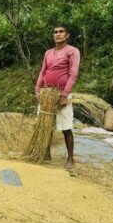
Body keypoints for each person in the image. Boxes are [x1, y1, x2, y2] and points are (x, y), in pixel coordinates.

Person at [35, 24, 80, 171]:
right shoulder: (48, 53)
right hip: (46, 93)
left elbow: (73, 74)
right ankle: (45, 153)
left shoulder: (72, 51)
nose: (58, 34)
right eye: (55, 32)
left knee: (66, 127)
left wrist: (65, 96)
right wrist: (37, 89)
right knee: (45, 124)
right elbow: (43, 72)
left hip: (62, 94)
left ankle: (70, 158)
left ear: (67, 35)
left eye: (61, 32)